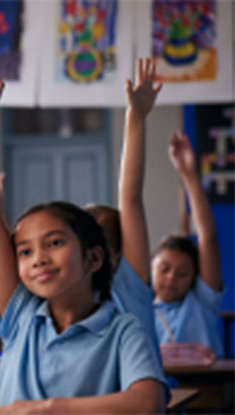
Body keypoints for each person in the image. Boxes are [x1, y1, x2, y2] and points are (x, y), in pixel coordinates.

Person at [0, 53, 167, 413]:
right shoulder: (23, 313)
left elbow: (148, 402)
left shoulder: (123, 330)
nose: (38, 257)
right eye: (24, 251)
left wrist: (47, 409)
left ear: (94, 257)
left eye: (55, 243)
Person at [86, 57, 163, 354]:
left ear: (117, 254)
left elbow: (129, 197)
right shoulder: (72, 297)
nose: (87, 254)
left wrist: (136, 118)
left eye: (98, 245)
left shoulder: (128, 286)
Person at [152, 131, 224, 357]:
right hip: (157, 392)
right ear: (151, 267)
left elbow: (207, 238)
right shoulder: (139, 309)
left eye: (182, 273)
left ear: (195, 278)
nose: (171, 278)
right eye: (164, 269)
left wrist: (189, 174)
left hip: (206, 390)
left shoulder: (201, 301)